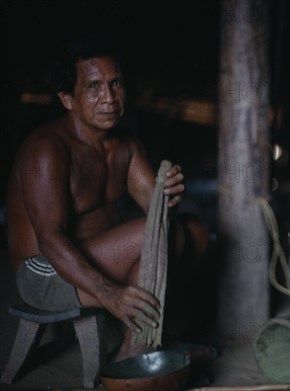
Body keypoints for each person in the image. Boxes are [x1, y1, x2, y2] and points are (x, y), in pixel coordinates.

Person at [6, 36, 209, 363]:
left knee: (194, 231)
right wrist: (109, 294)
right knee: (151, 234)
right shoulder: (47, 150)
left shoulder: (124, 144)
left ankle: (151, 336)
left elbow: (158, 213)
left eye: (115, 84)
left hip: (93, 255)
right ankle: (133, 354)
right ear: (67, 98)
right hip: (44, 273)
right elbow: (49, 239)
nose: (109, 98)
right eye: (93, 87)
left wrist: (168, 195)